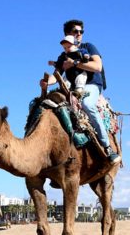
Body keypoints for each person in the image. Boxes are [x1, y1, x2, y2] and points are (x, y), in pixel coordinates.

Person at [42, 19, 120, 164]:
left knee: (86, 104)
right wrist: (47, 82)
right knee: (46, 106)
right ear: (67, 35)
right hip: (71, 86)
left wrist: (75, 63)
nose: (79, 34)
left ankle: (107, 147)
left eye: (81, 31)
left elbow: (97, 67)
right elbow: (56, 74)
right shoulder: (63, 55)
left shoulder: (87, 47)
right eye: (75, 31)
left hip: (90, 84)